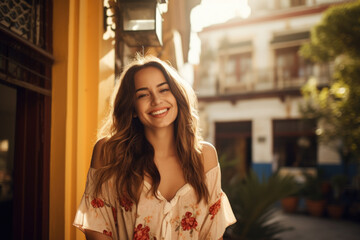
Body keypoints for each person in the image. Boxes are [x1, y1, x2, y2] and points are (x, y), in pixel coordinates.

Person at [73, 55, 236, 240]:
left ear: (177, 96)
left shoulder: (204, 156)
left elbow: (213, 233)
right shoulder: (108, 152)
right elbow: (96, 227)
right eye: (143, 94)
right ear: (132, 108)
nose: (156, 100)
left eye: (164, 90)